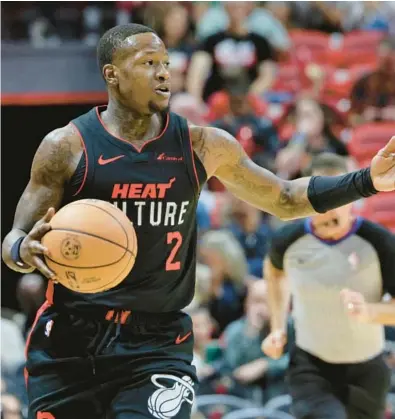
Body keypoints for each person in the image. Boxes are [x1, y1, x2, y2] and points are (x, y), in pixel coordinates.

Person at [1, 23, 394, 419]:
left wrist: (367, 181)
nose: (162, 73)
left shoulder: (201, 144)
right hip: (71, 338)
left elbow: (285, 199)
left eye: (166, 63)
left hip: (155, 342)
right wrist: (24, 249)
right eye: (147, 63)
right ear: (112, 74)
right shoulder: (66, 147)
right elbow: (14, 239)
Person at [262, 152, 395, 419]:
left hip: (367, 367)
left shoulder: (379, 241)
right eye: (323, 196)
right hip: (311, 366)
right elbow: (274, 273)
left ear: (352, 197)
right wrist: (277, 327)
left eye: (339, 195)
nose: (331, 205)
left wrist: (369, 312)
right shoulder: (287, 241)